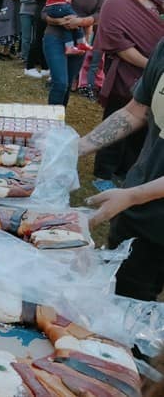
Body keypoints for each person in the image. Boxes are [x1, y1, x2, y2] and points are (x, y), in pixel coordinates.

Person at [78, 37, 164, 303]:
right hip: (137, 213)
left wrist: (134, 195)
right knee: (117, 300)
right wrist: (78, 146)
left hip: (143, 204)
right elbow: (136, 111)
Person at [93, 0, 164, 185]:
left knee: (142, 127)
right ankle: (103, 173)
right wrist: (153, 66)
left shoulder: (154, 3)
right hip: (127, 72)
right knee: (118, 119)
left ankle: (126, 172)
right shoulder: (115, 4)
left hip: (153, 76)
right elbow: (119, 44)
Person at [43, 0, 104, 106]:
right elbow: (44, 12)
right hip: (55, 36)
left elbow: (101, 15)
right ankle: (51, 125)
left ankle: (60, 122)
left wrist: (81, 22)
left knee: (68, 84)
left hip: (80, 40)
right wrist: (57, 21)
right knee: (60, 83)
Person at [19, 0, 39, 71]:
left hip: (37, 12)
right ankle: (25, 57)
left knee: (36, 37)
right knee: (26, 37)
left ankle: (35, 57)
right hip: (25, 11)